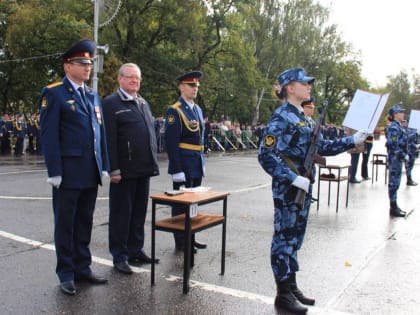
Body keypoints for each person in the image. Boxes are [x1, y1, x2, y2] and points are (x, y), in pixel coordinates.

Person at [258, 67, 367, 314]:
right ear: (290, 88)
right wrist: (293, 178)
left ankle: (292, 285)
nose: (308, 86)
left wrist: (351, 140)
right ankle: (282, 294)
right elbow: (266, 155)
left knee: (296, 237)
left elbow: (322, 146)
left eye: (308, 83)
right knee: (283, 239)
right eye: (304, 83)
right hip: (290, 187)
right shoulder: (281, 117)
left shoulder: (304, 117)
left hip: (305, 183)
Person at [39, 39, 110, 296]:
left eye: (89, 63)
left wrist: (104, 165)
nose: (87, 67)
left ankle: (83, 267)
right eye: (82, 63)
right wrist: (54, 171)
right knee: (66, 224)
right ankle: (66, 273)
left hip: (90, 171)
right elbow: (48, 136)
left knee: (84, 222)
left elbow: (99, 134)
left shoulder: (92, 95)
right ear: (68, 66)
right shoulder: (54, 93)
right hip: (68, 173)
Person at [102, 63, 160, 275]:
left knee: (138, 213)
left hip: (143, 168)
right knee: (121, 214)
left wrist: (153, 163)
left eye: (137, 78)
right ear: (120, 79)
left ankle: (136, 249)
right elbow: (109, 138)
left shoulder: (143, 102)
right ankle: (119, 255)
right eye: (130, 77)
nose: (135, 81)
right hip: (124, 171)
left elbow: (150, 134)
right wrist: (113, 169)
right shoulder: (111, 103)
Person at [164, 70, 207, 252]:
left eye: (196, 85)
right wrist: (176, 169)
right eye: (191, 85)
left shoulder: (196, 109)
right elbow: (171, 142)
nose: (194, 88)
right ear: (182, 87)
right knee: (181, 204)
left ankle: (191, 236)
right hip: (184, 163)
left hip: (196, 162)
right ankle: (181, 240)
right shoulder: (175, 110)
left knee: (193, 203)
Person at [385, 105, 409, 217]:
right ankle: (393, 207)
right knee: (393, 183)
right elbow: (393, 145)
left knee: (396, 183)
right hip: (395, 159)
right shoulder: (394, 127)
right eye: (400, 112)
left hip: (397, 159)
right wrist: (404, 155)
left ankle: (394, 206)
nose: (402, 114)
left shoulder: (398, 126)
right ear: (395, 114)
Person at [402, 119, 418, 186]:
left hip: (412, 150)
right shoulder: (407, 130)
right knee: (408, 166)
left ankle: (409, 179)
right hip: (408, 151)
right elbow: (407, 138)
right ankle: (409, 180)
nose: (404, 123)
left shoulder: (412, 129)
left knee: (410, 166)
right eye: (403, 122)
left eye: (405, 122)